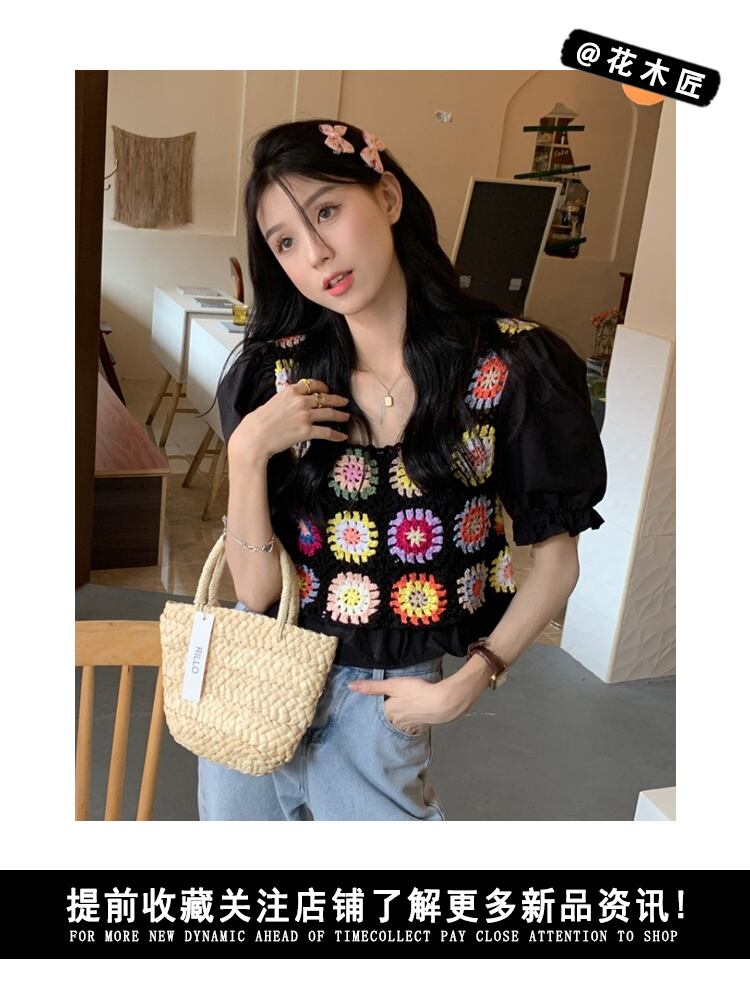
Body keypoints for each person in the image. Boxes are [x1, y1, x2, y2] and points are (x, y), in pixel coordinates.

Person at [197, 118, 607, 821]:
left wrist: (473, 677)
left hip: (381, 708)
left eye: (327, 211)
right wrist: (247, 453)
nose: (317, 254)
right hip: (258, 683)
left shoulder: (507, 367)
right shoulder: (276, 377)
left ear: (387, 197)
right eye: (285, 242)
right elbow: (258, 590)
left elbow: (557, 560)